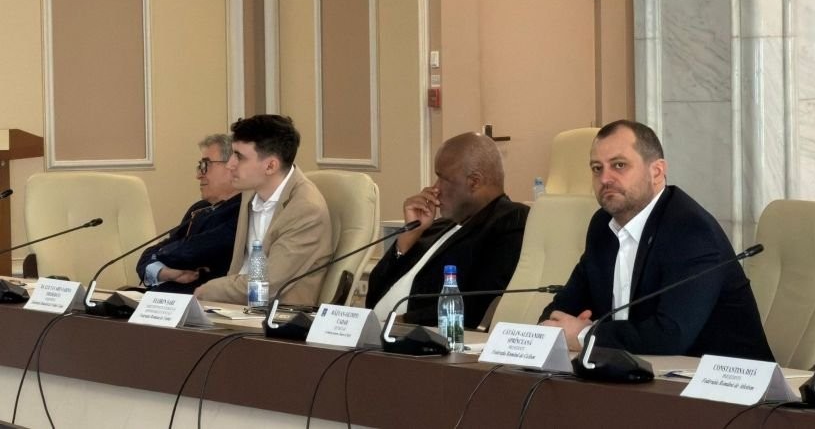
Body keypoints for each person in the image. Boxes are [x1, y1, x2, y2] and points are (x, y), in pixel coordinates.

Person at [541, 120, 773, 360]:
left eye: (619, 165)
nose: (605, 178)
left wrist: (584, 335)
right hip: (638, 370)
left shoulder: (690, 230)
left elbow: (671, 335)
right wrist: (552, 327)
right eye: (597, 168)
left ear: (657, 172)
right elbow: (562, 308)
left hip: (721, 377)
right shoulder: (602, 225)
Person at [366, 132, 528, 328]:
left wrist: (402, 323)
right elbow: (374, 291)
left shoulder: (510, 220)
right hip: (377, 333)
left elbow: (477, 303)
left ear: (474, 182)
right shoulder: (439, 225)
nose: (434, 189)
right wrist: (407, 239)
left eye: (442, 178)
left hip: (424, 338)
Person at [195, 115, 333, 306]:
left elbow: (266, 285)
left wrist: (207, 290)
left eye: (239, 157)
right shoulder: (250, 190)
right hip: (233, 307)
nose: (230, 164)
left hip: (277, 314)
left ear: (270, 166)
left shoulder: (306, 209)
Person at [136, 134, 241, 293]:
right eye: (200, 166)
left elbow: (189, 252)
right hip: (165, 297)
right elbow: (148, 256)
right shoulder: (199, 209)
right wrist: (165, 273)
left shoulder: (243, 211)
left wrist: (161, 254)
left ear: (232, 166)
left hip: (202, 301)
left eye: (205, 165)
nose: (198, 175)